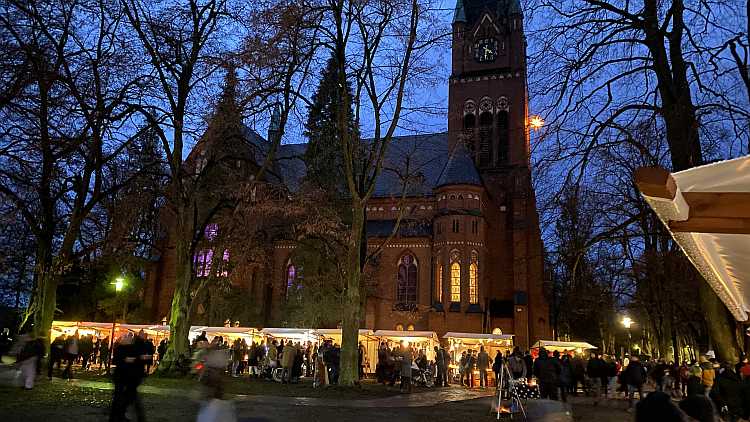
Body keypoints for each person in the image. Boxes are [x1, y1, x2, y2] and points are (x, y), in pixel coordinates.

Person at [109, 334, 146, 422]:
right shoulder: (120, 348)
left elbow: (137, 360)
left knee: (127, 398)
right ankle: (117, 416)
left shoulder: (132, 348)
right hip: (123, 377)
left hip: (129, 378)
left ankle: (118, 416)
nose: (128, 338)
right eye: (125, 337)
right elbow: (116, 361)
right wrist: (126, 360)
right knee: (124, 399)